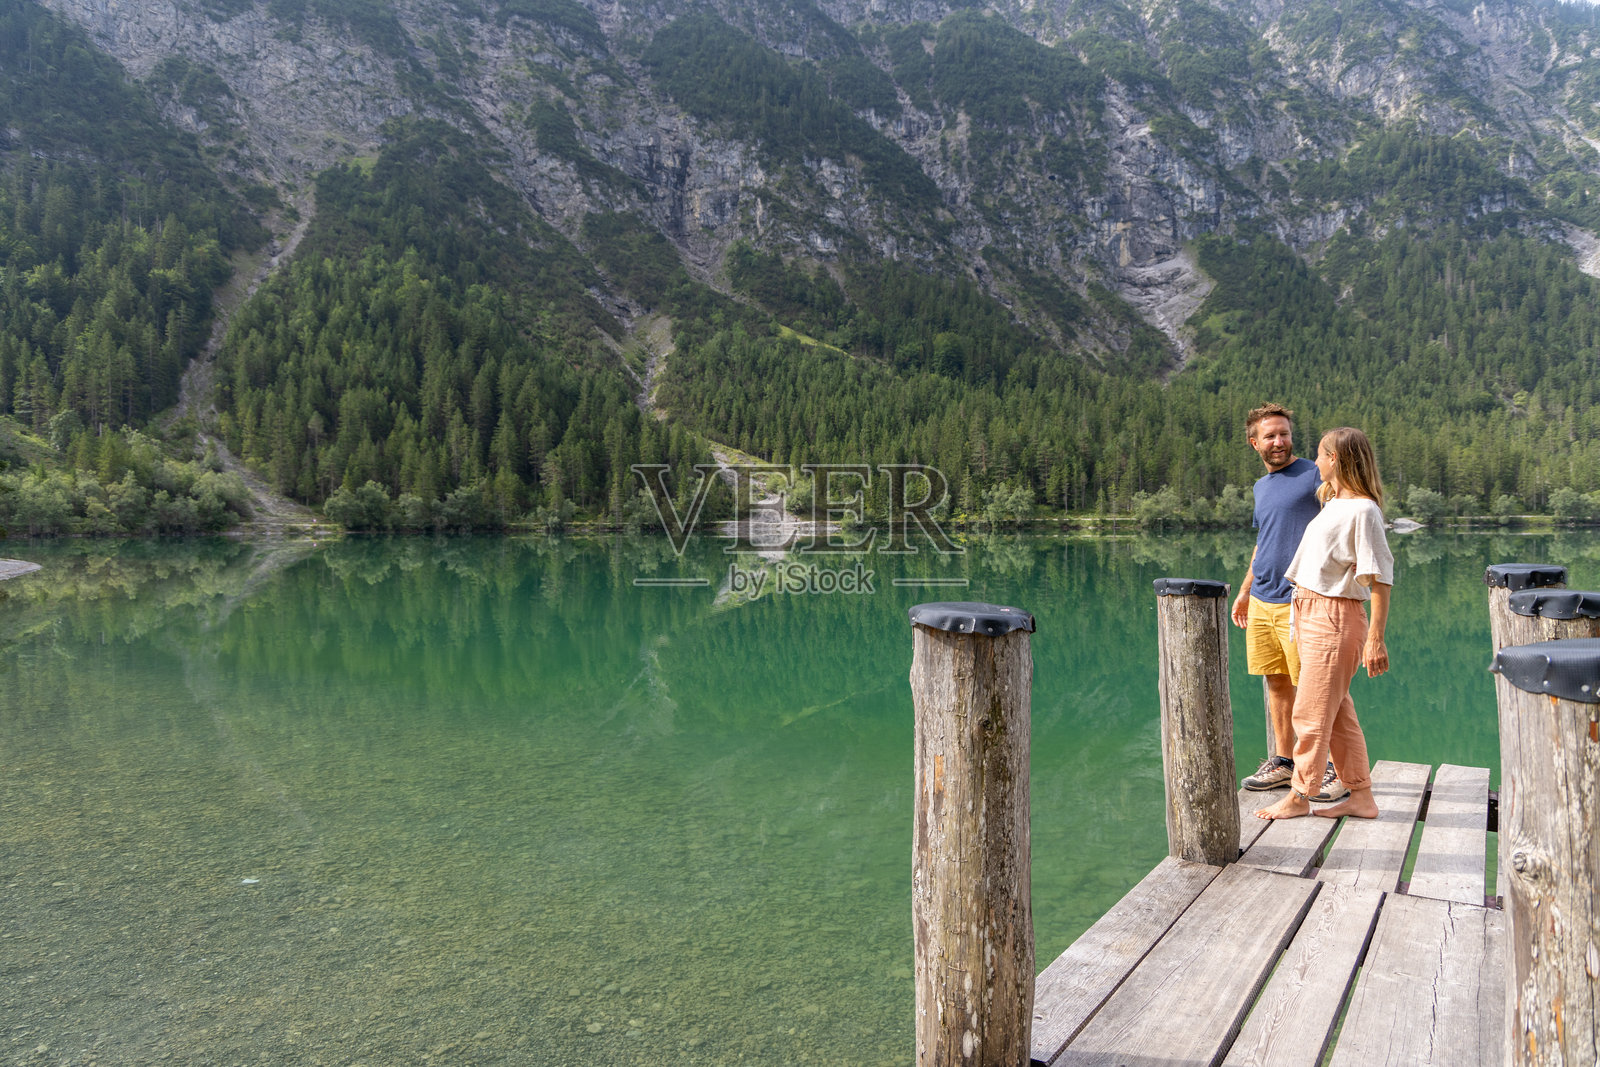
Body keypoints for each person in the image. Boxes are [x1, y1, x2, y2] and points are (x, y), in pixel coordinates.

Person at [1255, 427, 1394, 821]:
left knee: (1311, 714)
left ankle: (1300, 796)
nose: (1314, 462)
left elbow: (1380, 578)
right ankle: (1361, 796)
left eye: (1320, 455)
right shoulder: (1333, 503)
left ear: (1335, 459)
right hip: (1311, 612)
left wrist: (1376, 640)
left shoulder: (1363, 510)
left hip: (1335, 617)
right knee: (1337, 714)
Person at [1231, 404, 1326, 794]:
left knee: (1314, 685)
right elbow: (1264, 541)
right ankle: (1285, 761)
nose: (1279, 442)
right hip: (1263, 598)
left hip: (1300, 599)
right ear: (1255, 443)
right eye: (1269, 436)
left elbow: (1348, 514)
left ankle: (1327, 766)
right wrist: (1243, 591)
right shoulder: (1261, 487)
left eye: (1284, 433)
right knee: (1276, 683)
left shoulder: (1315, 474)